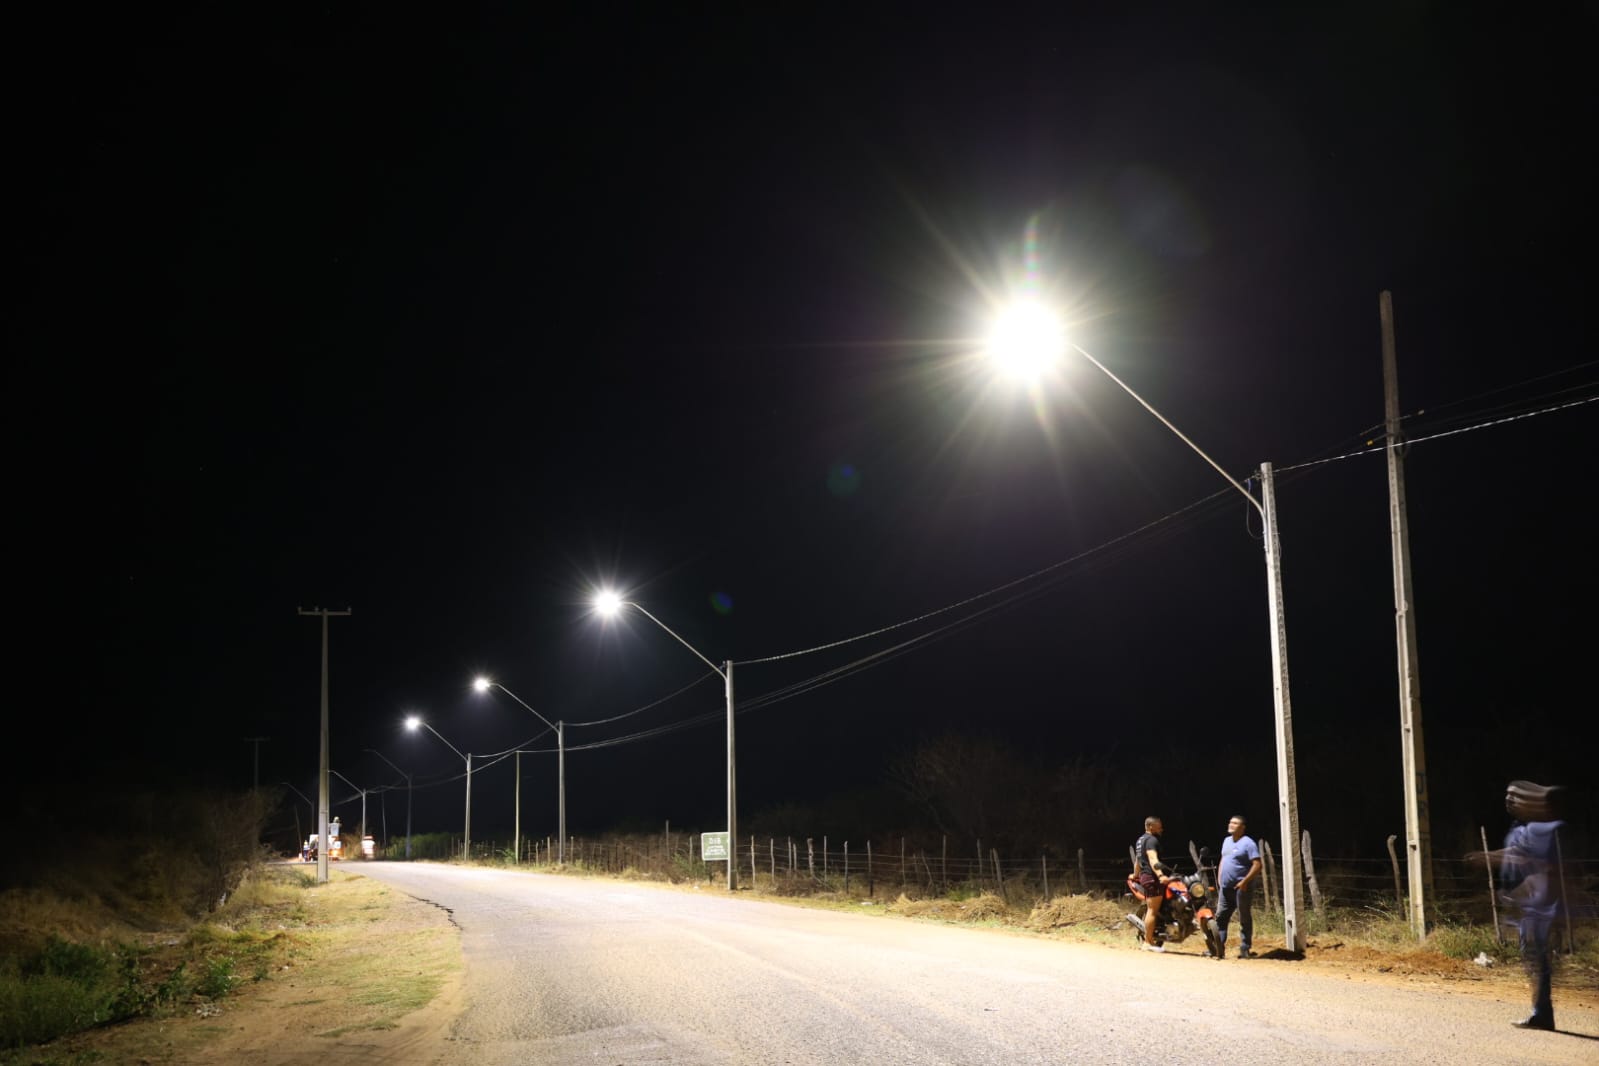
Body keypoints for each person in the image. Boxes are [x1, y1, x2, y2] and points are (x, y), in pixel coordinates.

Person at [1498, 780, 1566, 1031]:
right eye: (1508, 795)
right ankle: (1540, 1011)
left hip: (1539, 906)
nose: (1510, 800)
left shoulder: (1543, 830)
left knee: (1537, 959)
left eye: (1515, 796)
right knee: (1533, 958)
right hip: (1527, 907)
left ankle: (1542, 1013)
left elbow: (1545, 868)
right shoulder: (1522, 827)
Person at [1215, 814, 1262, 959]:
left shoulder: (1248, 843)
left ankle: (1245, 948)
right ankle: (1218, 948)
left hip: (1241, 888)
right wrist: (1220, 878)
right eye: (1230, 822)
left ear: (1242, 827)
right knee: (1220, 917)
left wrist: (1245, 881)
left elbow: (1257, 864)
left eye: (1235, 823)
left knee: (1244, 917)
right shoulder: (1226, 841)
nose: (1231, 825)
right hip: (1225, 887)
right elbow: (1223, 859)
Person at [1134, 816, 1172, 952]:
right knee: (1152, 910)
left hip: (1145, 876)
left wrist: (1135, 875)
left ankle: (1156, 936)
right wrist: (1160, 875)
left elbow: (1138, 861)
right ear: (1151, 826)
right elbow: (1152, 858)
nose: (1162, 828)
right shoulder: (1151, 840)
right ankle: (1148, 942)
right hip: (1152, 877)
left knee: (1157, 908)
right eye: (1159, 825)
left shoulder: (1140, 840)